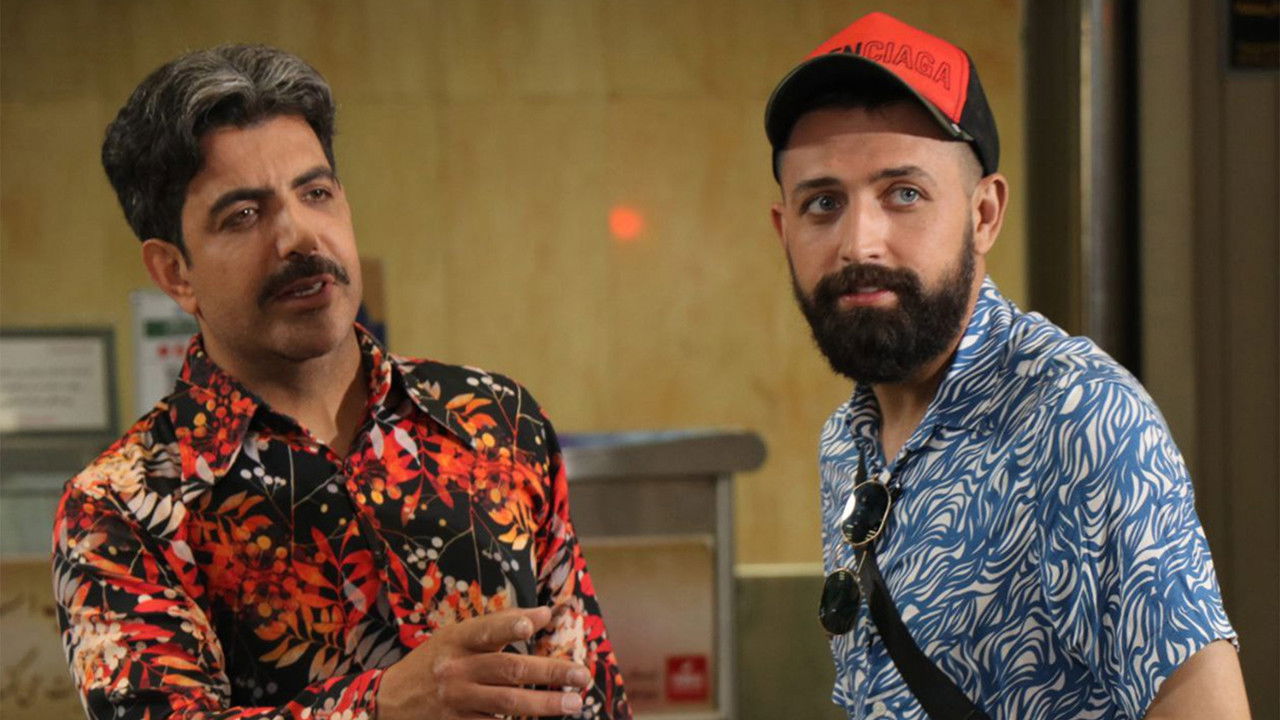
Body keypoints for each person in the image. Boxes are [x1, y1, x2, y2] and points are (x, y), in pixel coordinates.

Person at [52, 44, 630, 720]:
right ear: (175, 273)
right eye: (244, 215)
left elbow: (589, 691)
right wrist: (381, 707)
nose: (298, 237)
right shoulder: (121, 507)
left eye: (316, 193)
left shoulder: (494, 418)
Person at [764, 12, 1250, 720]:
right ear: (784, 229)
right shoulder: (847, 444)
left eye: (904, 194)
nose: (859, 242)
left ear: (985, 214)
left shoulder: (1077, 418)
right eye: (823, 203)